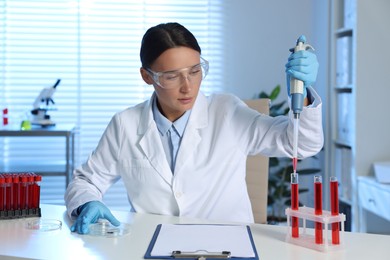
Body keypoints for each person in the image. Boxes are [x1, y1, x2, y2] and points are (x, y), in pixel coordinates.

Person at [65, 22, 323, 234]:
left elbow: (301, 143)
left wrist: (303, 95)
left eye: (195, 71)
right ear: (147, 77)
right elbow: (86, 180)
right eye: (172, 76)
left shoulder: (227, 112)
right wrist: (88, 202)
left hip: (228, 247)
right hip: (151, 245)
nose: (188, 86)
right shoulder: (126, 124)